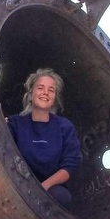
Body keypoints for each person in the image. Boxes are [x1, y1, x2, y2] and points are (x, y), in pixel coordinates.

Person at [6, 68, 81, 208]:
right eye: (40, 88)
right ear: (30, 95)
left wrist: (43, 187)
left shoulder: (64, 127)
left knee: (61, 196)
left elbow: (69, 166)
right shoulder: (15, 123)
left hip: (50, 189)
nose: (45, 92)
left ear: (54, 99)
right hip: (17, 183)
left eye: (51, 90)